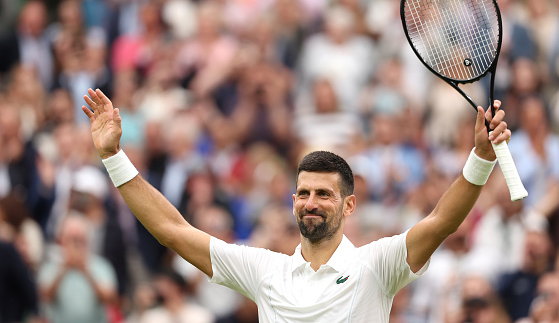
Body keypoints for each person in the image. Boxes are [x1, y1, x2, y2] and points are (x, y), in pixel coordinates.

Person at [82, 88, 511, 322]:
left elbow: (440, 222)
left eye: (324, 194)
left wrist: (481, 158)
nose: (311, 202)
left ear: (349, 206)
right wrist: (113, 157)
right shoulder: (265, 272)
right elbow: (173, 231)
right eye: (304, 193)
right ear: (292, 202)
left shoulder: (376, 267)